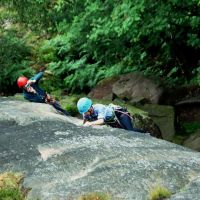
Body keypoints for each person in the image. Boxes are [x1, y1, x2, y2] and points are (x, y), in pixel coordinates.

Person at [77, 97, 146, 133]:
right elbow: (85, 122)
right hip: (112, 120)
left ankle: (145, 133)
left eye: (85, 112)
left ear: (90, 108)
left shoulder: (99, 107)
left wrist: (90, 123)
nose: (85, 114)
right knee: (123, 132)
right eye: (84, 112)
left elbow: (101, 121)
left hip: (120, 113)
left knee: (130, 131)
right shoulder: (85, 112)